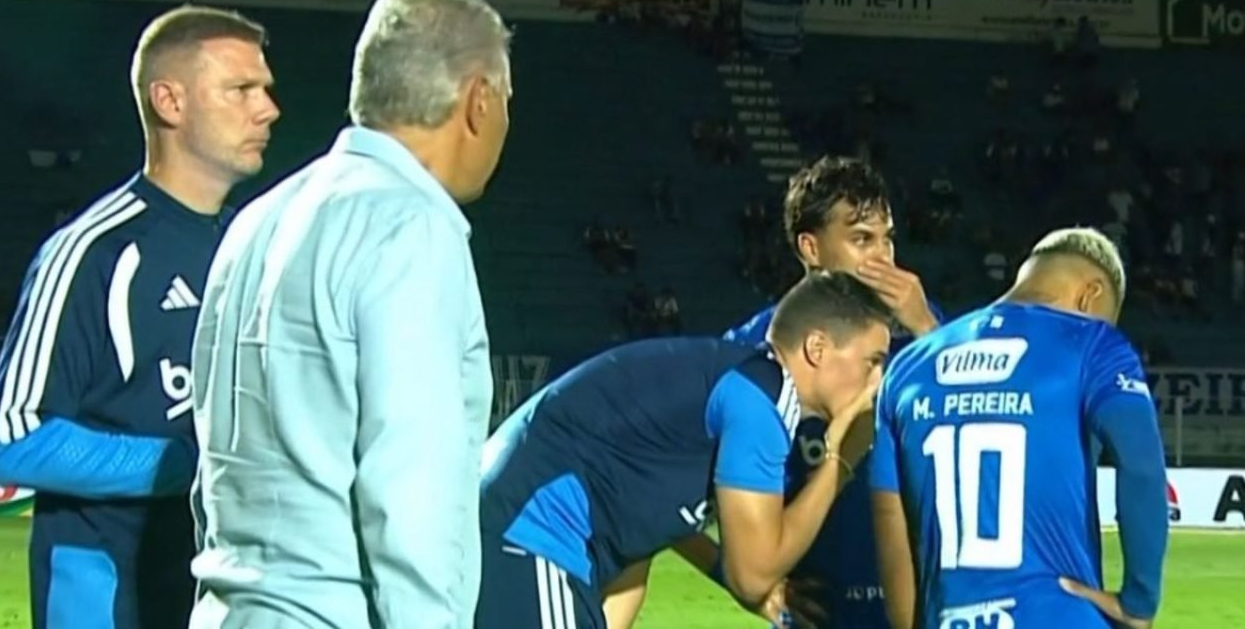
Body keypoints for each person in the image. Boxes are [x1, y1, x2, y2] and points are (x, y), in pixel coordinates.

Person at [187, 0, 511, 629]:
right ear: (478, 100)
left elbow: (213, 469)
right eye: (507, 101)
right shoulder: (412, 227)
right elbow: (412, 489)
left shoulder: (257, 219)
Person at [0, 5, 278, 629]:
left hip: (219, 599)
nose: (267, 108)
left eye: (267, 89)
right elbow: (16, 439)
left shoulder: (252, 246)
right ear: (170, 102)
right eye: (241, 89)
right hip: (108, 601)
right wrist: (192, 466)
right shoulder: (93, 252)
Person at [608, 157, 942, 629]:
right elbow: (660, 484)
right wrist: (738, 578)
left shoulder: (929, 337)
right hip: (816, 613)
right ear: (811, 247)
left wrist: (927, 327)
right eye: (862, 239)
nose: (883, 258)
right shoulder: (749, 355)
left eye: (888, 238)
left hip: (918, 608)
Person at [475, 271, 893, 629]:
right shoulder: (762, 398)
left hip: (525, 530)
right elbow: (752, 575)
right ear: (817, 349)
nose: (877, 380)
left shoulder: (737, 382)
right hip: (534, 531)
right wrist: (841, 459)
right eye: (872, 361)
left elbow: (652, 519)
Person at [870, 227, 1168, 629]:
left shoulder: (906, 369)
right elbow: (1142, 464)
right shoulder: (1095, 343)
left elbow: (891, 520)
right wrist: (1140, 600)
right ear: (1090, 295)